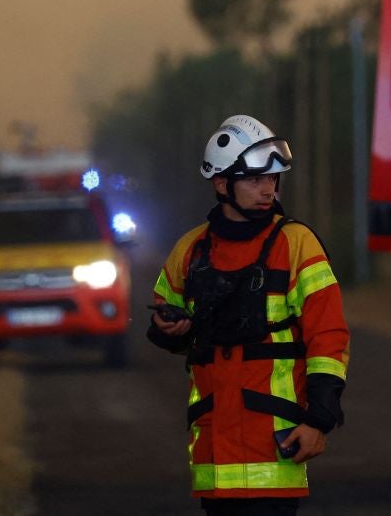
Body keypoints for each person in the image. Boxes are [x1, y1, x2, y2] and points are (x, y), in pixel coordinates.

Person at [147, 115, 350, 516]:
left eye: (273, 179)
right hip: (214, 456)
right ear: (222, 183)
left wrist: (320, 419)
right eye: (255, 180)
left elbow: (329, 336)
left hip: (276, 448)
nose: (268, 190)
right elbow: (165, 323)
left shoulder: (296, 243)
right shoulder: (190, 250)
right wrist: (169, 329)